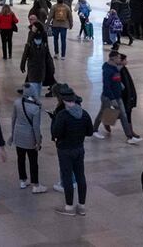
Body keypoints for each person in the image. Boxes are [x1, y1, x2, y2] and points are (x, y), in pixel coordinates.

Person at [50, 86, 93, 216]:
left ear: (63, 100)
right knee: (81, 176)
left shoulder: (63, 115)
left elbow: (56, 133)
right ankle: (82, 206)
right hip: (79, 148)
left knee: (67, 177)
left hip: (65, 150)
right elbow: (90, 132)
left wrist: (54, 120)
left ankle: (69, 207)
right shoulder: (84, 114)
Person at [92, 50, 142, 144]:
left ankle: (129, 137)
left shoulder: (115, 68)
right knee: (102, 113)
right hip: (108, 98)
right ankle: (94, 130)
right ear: (113, 58)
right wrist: (112, 99)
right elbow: (107, 86)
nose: (120, 59)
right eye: (118, 58)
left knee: (123, 115)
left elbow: (116, 80)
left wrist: (120, 86)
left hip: (118, 96)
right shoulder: (107, 70)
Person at [11, 84, 46, 194]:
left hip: (18, 135)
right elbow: (36, 127)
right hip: (29, 137)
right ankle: (35, 184)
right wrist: (38, 141)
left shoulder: (17, 103)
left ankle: (23, 180)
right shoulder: (35, 108)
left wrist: (12, 134)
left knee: (20, 159)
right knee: (33, 161)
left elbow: (13, 119)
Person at [19, 18, 54, 96]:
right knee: (36, 83)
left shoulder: (38, 39)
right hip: (35, 65)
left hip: (40, 65)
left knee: (38, 83)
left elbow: (27, 50)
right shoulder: (31, 40)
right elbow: (26, 52)